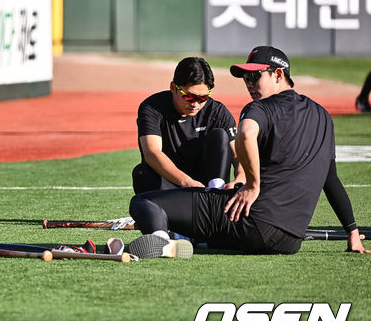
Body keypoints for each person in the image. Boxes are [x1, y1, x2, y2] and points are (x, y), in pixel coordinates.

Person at [126, 46, 368, 258]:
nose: (249, 83)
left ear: (278, 74)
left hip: (249, 223)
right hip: (290, 240)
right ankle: (189, 235)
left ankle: (161, 240)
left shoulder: (259, 109)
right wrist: (352, 232)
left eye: (255, 76)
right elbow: (331, 179)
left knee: (142, 201)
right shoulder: (323, 115)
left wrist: (249, 184)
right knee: (145, 175)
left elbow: (245, 134)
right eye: (245, 78)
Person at [132, 57, 239, 194]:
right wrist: (187, 183)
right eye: (189, 97)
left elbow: (238, 156)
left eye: (203, 98)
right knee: (142, 174)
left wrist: (239, 178)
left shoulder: (217, 111)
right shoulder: (152, 108)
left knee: (220, 135)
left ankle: (216, 198)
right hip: (172, 185)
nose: (195, 104)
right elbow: (152, 153)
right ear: (173, 87)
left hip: (206, 187)